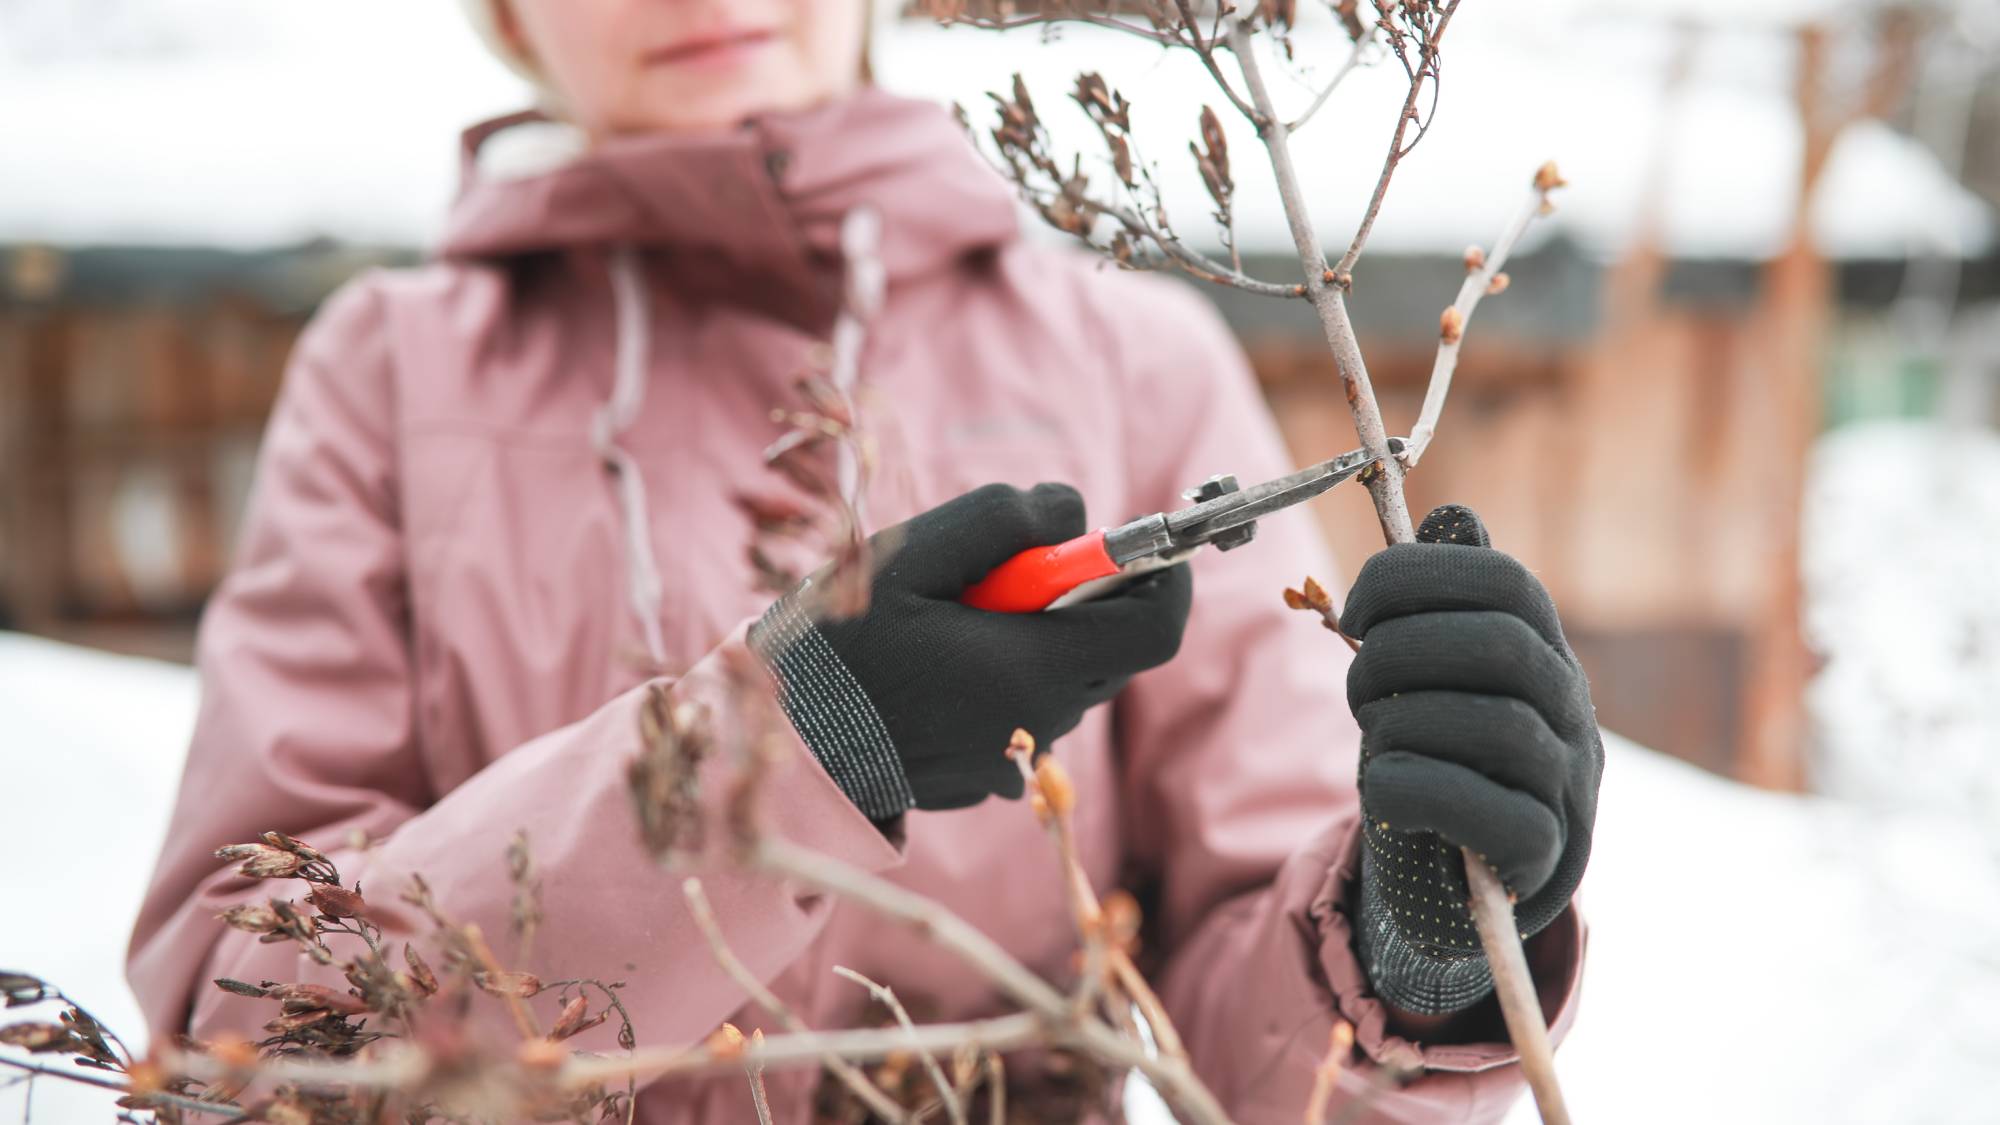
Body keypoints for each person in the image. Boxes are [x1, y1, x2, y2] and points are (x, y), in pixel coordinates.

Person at [129, 2, 1602, 1121]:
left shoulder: (1128, 360)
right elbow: (243, 1033)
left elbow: (1260, 1005)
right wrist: (794, 745)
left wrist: (1412, 950)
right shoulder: (390, 376)